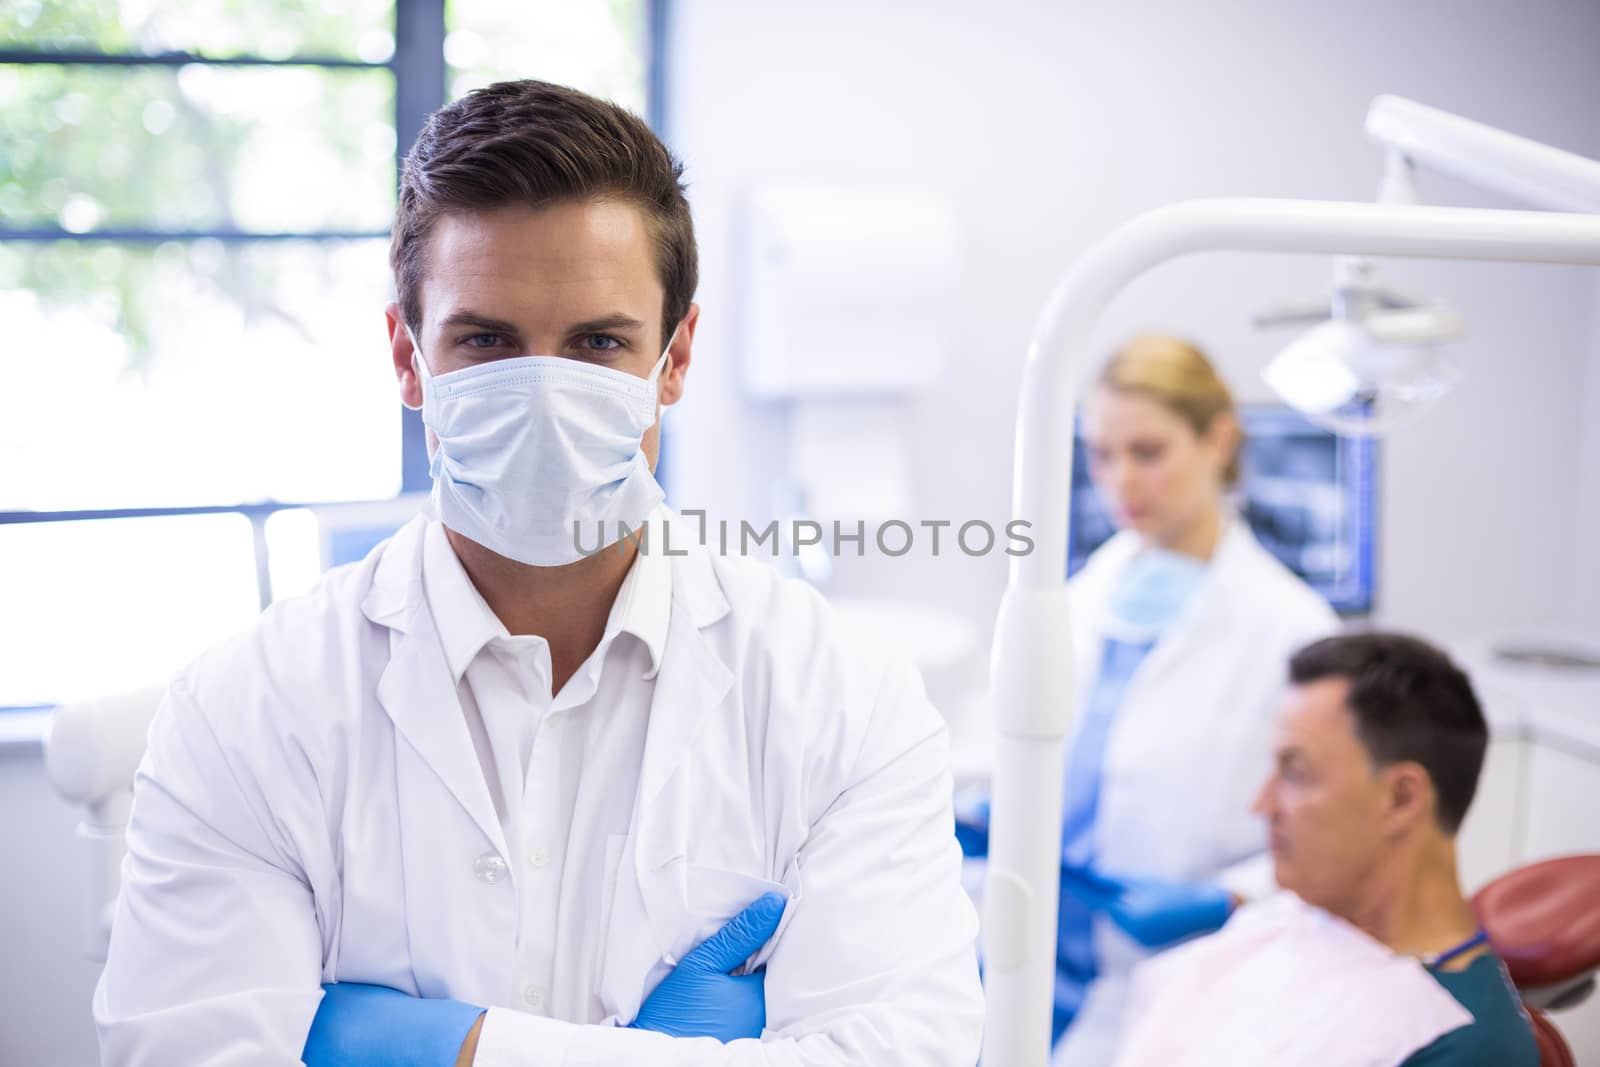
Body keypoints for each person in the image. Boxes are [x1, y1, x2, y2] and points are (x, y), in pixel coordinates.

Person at [93, 79, 984, 1066]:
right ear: (406, 353)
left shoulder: (842, 695)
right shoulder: (248, 707)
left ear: (675, 357)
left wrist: (465, 1047)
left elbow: (906, 1054)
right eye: (485, 340)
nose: (545, 397)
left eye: (599, 343)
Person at [956, 335, 1338, 1063]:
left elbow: (1332, 845)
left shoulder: (1292, 631)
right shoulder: (1084, 591)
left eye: (1148, 451)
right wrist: (987, 812)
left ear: (1218, 440)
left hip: (1176, 975)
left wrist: (1232, 897)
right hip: (1031, 956)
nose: (1120, 479)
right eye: (1101, 454)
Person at [1114, 632, 1539, 1066]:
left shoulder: (1466, 1046)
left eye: (1295, 773)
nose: (1261, 804)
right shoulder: (1296, 917)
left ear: (1401, 800)